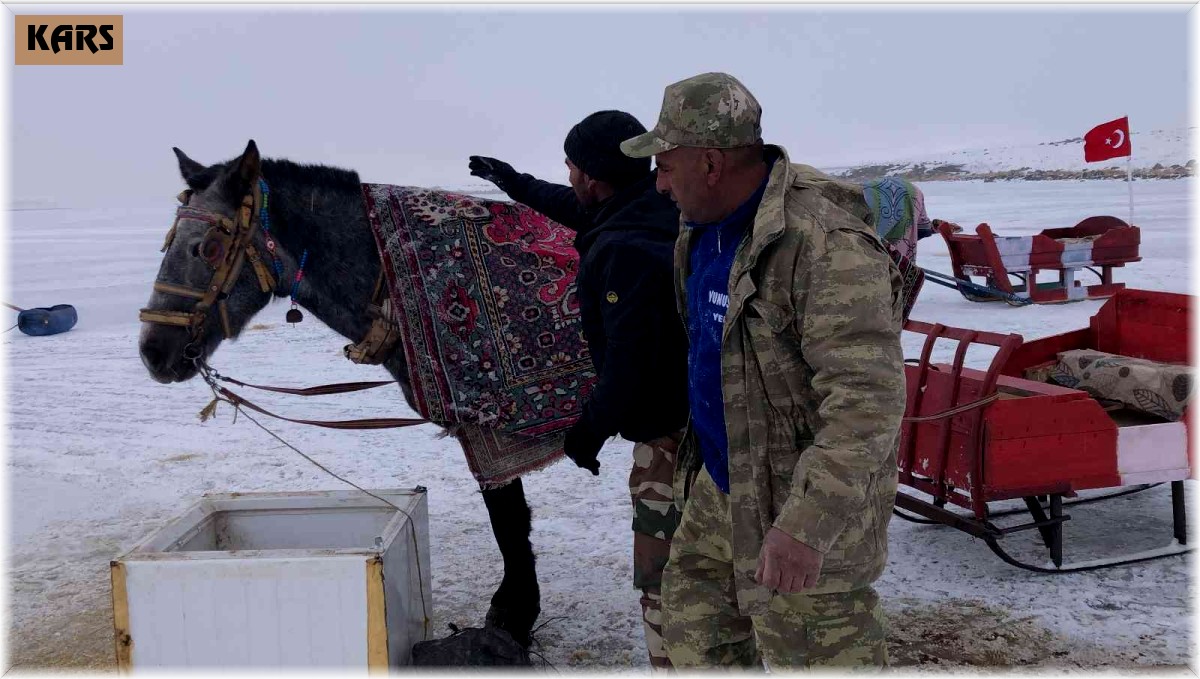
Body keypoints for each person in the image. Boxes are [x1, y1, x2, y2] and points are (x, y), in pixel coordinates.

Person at [619, 72, 906, 669]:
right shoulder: (701, 230)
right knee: (695, 640)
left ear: (710, 163)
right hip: (721, 489)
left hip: (801, 511)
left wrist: (806, 525)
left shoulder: (824, 244)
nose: (659, 183)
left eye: (665, 165)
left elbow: (866, 400)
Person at [468, 110, 688, 669]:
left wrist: (588, 433)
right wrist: (513, 181)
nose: (567, 177)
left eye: (571, 166)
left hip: (669, 436)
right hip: (700, 413)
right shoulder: (655, 201)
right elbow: (571, 206)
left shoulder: (624, 249)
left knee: (666, 581)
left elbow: (628, 362)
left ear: (592, 175)